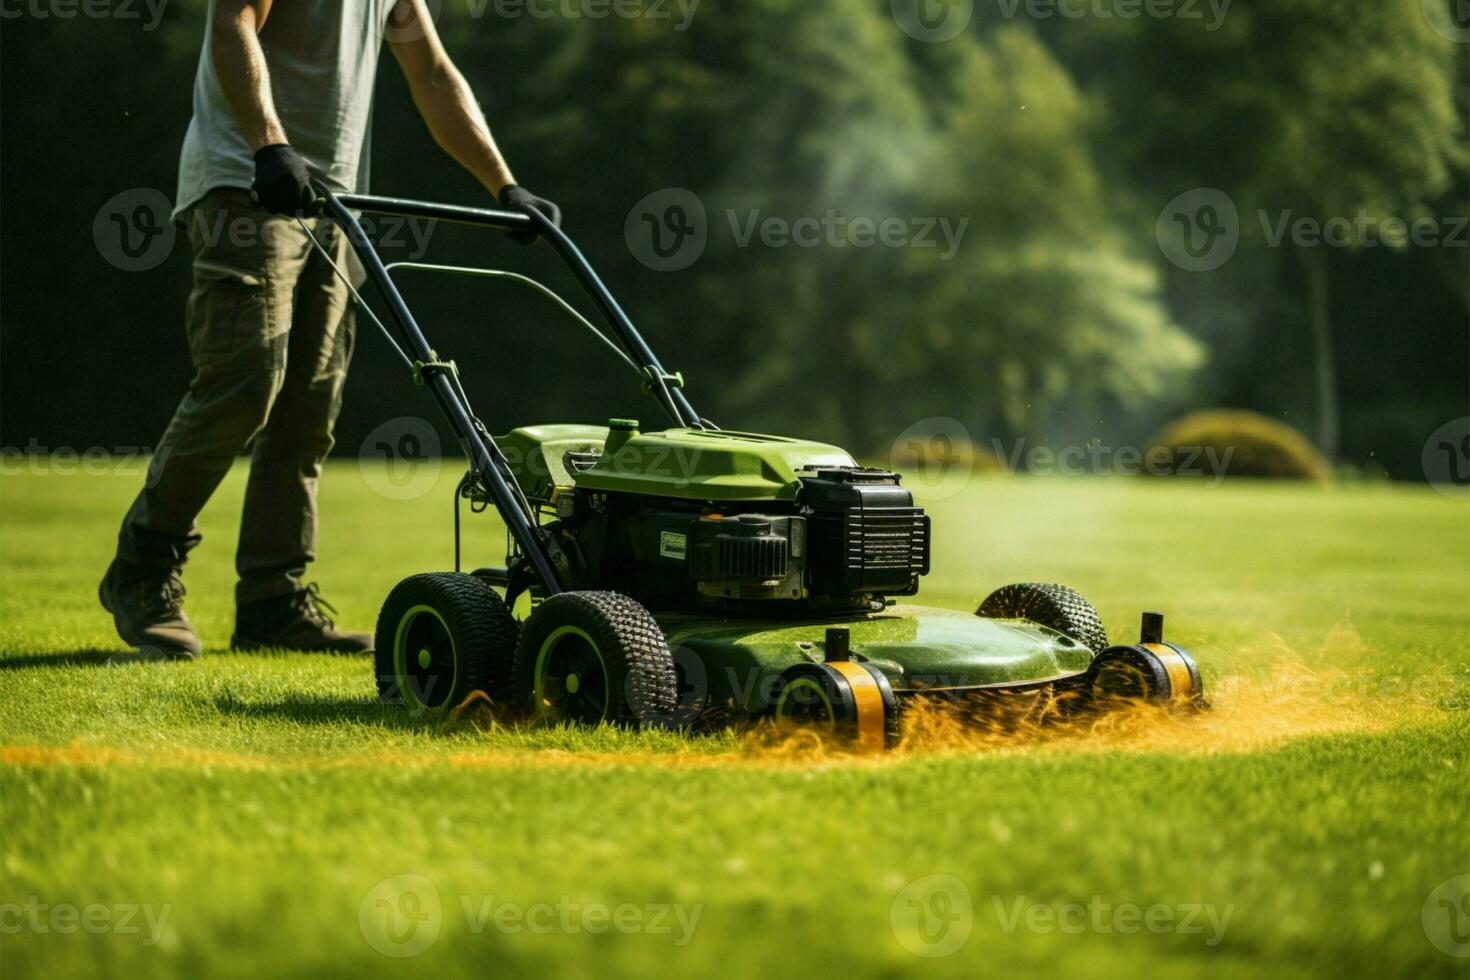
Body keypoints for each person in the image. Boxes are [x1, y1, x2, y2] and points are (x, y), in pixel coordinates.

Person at [99, 0, 560, 660]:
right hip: (248, 181)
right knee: (248, 378)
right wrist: (271, 145)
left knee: (309, 406)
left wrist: (504, 186)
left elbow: (431, 73)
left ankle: (272, 603)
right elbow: (232, 23)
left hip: (334, 201)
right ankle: (142, 569)